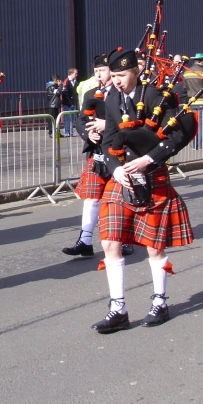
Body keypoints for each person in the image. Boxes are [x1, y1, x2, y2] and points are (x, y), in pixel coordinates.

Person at [91, 48, 194, 333]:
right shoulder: (111, 98)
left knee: (154, 247)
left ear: (135, 71)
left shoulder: (155, 96)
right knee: (109, 242)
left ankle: (160, 302)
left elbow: (177, 134)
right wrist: (115, 169)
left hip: (151, 174)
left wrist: (149, 159)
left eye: (121, 75)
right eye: (113, 76)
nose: (117, 81)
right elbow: (108, 139)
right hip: (122, 177)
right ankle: (117, 309)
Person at [62, 54, 133, 258]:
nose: (98, 76)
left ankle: (125, 240)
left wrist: (107, 125)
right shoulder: (92, 94)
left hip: (120, 154)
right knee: (91, 199)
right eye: (95, 72)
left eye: (101, 71)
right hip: (97, 153)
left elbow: (133, 123)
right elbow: (80, 120)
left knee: (121, 198)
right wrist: (89, 133)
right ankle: (85, 241)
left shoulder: (123, 94)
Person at [183, 53, 203, 150]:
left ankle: (194, 145)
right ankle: (202, 145)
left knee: (194, 124)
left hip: (191, 101)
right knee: (202, 124)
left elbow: (185, 87)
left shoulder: (186, 72)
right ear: (201, 61)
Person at [61, 68, 78, 137]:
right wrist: (70, 103)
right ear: (71, 74)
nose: (77, 75)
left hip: (73, 103)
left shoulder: (75, 82)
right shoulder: (66, 81)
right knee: (67, 118)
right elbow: (65, 94)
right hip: (67, 104)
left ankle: (71, 131)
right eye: (75, 73)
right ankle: (67, 131)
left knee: (72, 117)